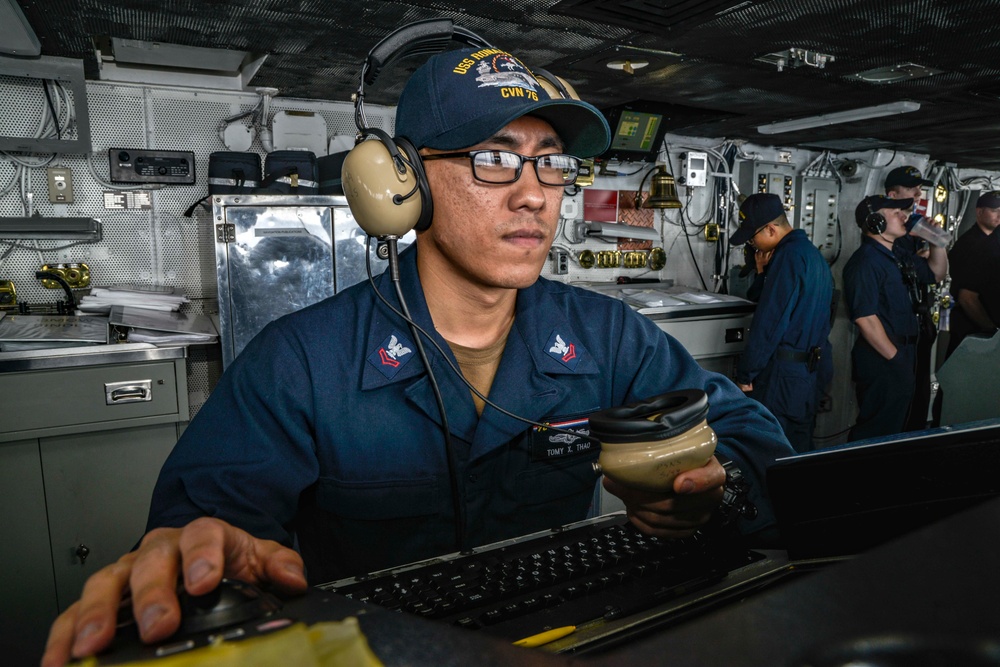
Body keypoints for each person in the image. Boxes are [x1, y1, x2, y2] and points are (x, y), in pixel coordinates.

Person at [41, 41, 794, 667]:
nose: (536, 194)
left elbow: (761, 448)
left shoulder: (610, 336)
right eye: (497, 159)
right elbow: (202, 535)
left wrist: (713, 491)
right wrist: (196, 564)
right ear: (402, 185)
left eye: (553, 162)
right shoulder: (299, 363)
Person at [729, 194, 834, 453]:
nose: (754, 245)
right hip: (809, 374)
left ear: (771, 229)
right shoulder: (812, 255)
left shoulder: (787, 258)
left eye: (753, 238)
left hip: (783, 377)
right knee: (798, 452)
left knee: (772, 453)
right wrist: (763, 272)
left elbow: (770, 323)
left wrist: (746, 374)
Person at [843, 195, 947, 442]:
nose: (905, 216)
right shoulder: (865, 262)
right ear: (875, 221)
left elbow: (936, 273)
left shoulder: (898, 256)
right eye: (895, 212)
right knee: (879, 428)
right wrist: (896, 359)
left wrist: (937, 241)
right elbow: (865, 318)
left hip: (905, 353)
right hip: (884, 358)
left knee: (901, 425)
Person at [884, 165, 939, 430]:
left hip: (918, 326)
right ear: (892, 195)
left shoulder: (914, 230)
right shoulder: (889, 236)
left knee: (919, 395)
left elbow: (934, 273)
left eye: (919, 188)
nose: (918, 193)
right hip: (898, 335)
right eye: (911, 188)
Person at [945, 190, 1000, 357]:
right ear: (979, 212)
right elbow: (967, 297)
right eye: (994, 210)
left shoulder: (990, 243)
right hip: (971, 330)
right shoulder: (972, 245)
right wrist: (991, 331)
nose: (999, 216)